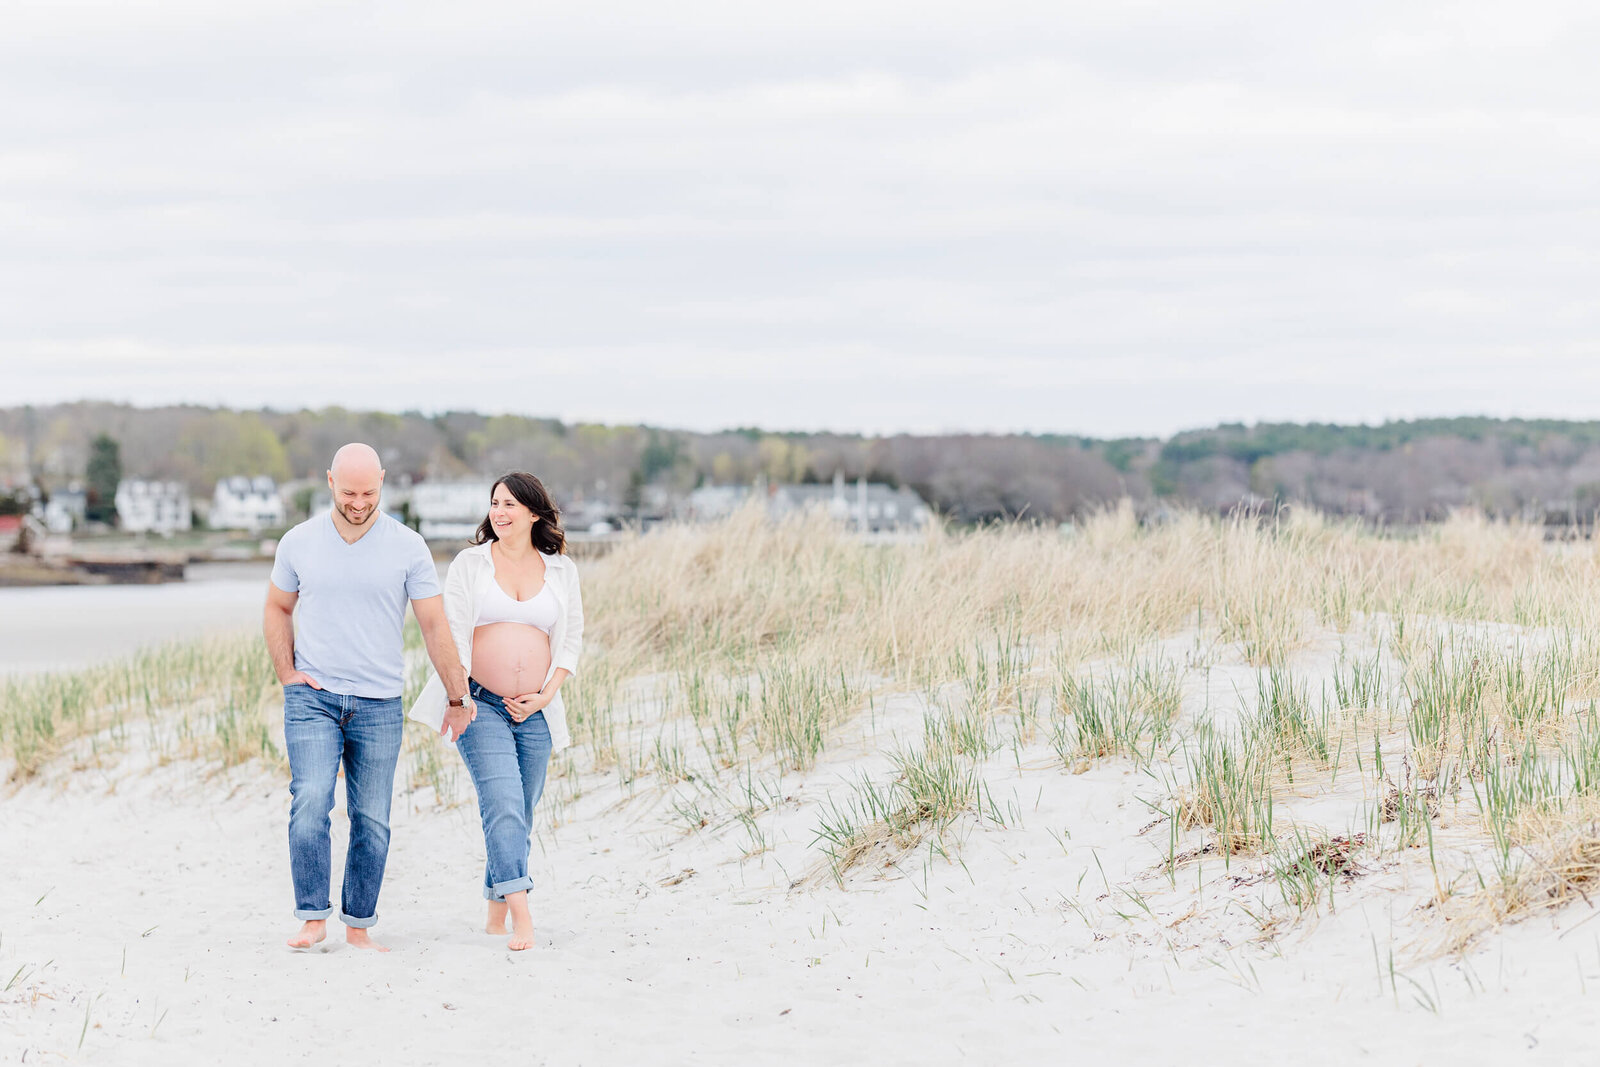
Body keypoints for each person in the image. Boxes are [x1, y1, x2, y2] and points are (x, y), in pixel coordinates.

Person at [264, 443, 475, 952]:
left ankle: (358, 925)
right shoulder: (298, 541)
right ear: (330, 481)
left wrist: (456, 694)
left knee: (372, 817)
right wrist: (287, 672)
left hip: (379, 703)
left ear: (383, 481)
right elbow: (276, 607)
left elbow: (432, 623)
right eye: (350, 492)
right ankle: (313, 918)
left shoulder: (408, 546)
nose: (359, 502)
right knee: (311, 799)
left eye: (370, 492)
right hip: (313, 697)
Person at [410, 472, 584, 951]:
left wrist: (547, 695)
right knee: (503, 803)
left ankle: (494, 912)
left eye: (510, 504)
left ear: (533, 512)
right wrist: (459, 698)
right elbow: (454, 633)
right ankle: (522, 918)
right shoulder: (471, 564)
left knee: (520, 812)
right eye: (495, 503)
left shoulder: (561, 569)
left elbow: (570, 641)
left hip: (537, 710)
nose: (500, 512)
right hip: (478, 702)